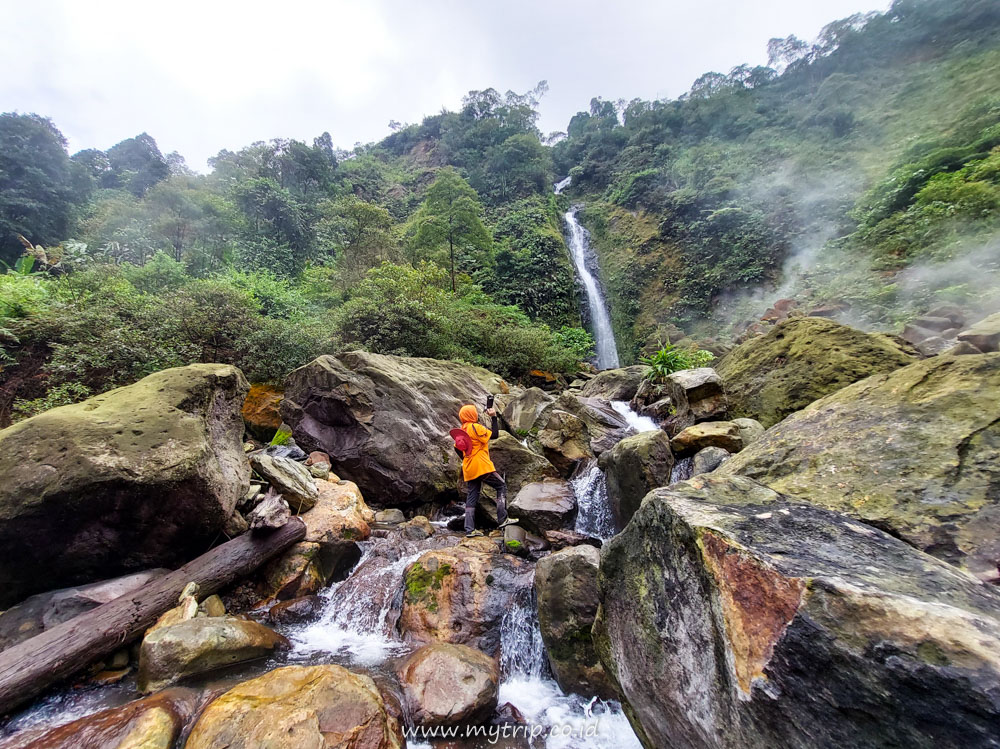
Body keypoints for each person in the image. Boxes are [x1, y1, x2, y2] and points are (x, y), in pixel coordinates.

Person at [455, 404, 516, 537]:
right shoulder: (475, 427)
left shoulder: (462, 430)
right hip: (481, 465)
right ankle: (503, 519)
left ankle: (469, 530)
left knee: (472, 497)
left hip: (469, 467)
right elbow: (494, 435)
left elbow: (457, 449)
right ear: (472, 415)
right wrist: (494, 417)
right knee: (501, 486)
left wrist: (467, 458)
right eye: (474, 412)